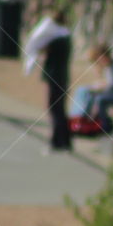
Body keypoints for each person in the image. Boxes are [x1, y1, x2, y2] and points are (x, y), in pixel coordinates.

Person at [24, 9, 72, 152]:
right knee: (60, 109)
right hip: (61, 77)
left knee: (55, 109)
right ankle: (65, 141)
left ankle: (56, 142)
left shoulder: (57, 40)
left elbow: (40, 47)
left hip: (56, 76)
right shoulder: (65, 37)